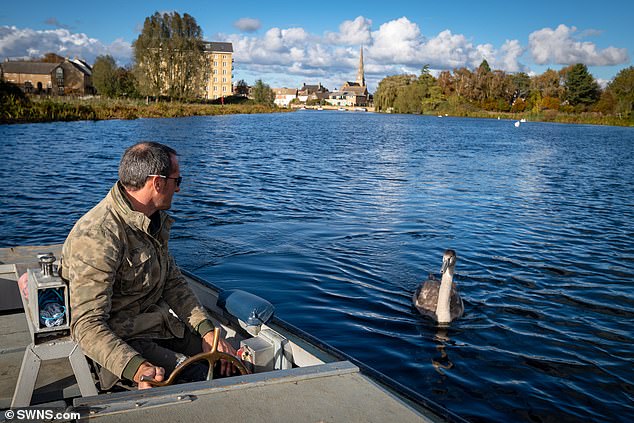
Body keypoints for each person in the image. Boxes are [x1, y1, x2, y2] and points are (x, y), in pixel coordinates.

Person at [60, 141, 236, 390]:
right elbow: (87, 325)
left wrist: (207, 331)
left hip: (158, 327)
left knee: (227, 363)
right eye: (178, 181)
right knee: (201, 380)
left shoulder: (152, 222)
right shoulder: (98, 236)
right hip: (124, 342)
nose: (178, 189)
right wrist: (138, 369)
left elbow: (173, 284)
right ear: (157, 183)